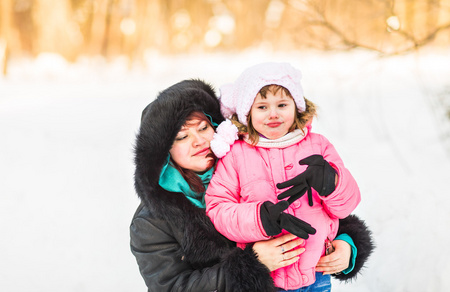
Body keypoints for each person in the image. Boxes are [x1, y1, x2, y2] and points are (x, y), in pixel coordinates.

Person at [130, 79, 373, 292]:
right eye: (182, 137)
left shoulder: (247, 162)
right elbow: (172, 287)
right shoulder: (152, 221)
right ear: (164, 152)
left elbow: (313, 211)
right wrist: (252, 264)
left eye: (204, 127)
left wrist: (347, 244)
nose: (199, 141)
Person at [205, 62, 361, 291]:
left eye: (282, 104)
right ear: (247, 112)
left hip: (316, 276)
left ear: (297, 107)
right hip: (266, 280)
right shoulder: (236, 155)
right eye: (262, 107)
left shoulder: (319, 145)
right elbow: (218, 208)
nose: (273, 114)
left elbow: (346, 205)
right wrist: (259, 218)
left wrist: (333, 183)